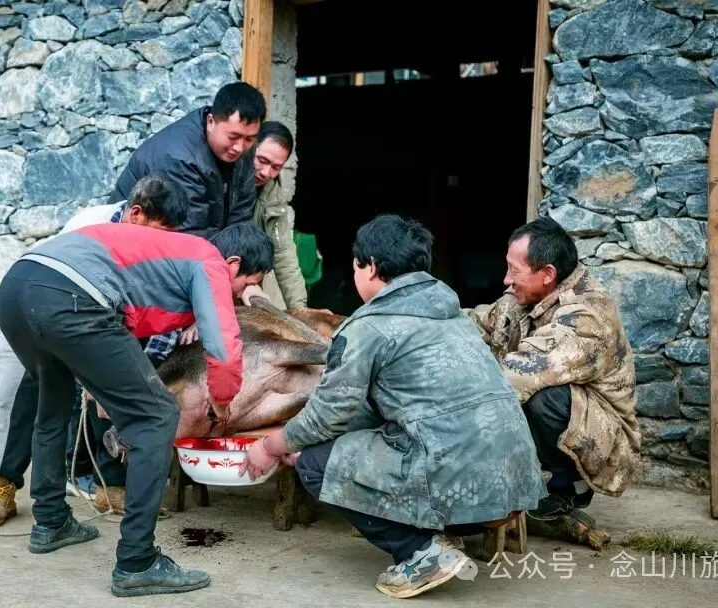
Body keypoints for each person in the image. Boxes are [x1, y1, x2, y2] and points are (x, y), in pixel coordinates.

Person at [239, 214, 546, 599]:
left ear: (369, 267)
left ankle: (422, 552)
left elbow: (330, 413)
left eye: (355, 264)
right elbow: (368, 409)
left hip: (457, 478)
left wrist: (272, 446)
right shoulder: (453, 315)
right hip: (514, 478)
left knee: (317, 464)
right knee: (340, 446)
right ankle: (443, 534)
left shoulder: (369, 326)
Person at [0, 221, 274, 597]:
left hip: (16, 290)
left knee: (54, 403)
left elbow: (126, 336)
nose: (241, 296)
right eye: (247, 284)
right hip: (70, 297)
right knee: (157, 416)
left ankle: (51, 521)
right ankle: (137, 561)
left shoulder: (166, 259)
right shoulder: (208, 261)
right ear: (234, 264)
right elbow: (223, 344)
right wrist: (223, 398)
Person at [0, 175, 187, 529]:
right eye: (159, 233)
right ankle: (1, 487)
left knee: (104, 390)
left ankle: (103, 488)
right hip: (32, 311)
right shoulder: (90, 224)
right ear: (136, 214)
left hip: (85, 319)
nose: (162, 245)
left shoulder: (148, 242)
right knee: (21, 398)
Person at [465, 217, 639, 521]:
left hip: (604, 443)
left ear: (548, 274)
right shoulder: (523, 296)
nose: (506, 279)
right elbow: (478, 324)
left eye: (514, 271)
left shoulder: (587, 318)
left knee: (541, 396)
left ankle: (568, 482)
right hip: (565, 415)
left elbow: (512, 378)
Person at [107, 81, 266, 238]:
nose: (239, 147)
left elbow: (241, 219)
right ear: (211, 122)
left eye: (249, 139)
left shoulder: (245, 149)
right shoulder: (179, 157)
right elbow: (190, 236)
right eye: (233, 136)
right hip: (127, 243)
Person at [250, 121, 307, 310]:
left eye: (276, 167)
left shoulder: (273, 194)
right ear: (250, 146)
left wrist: (300, 310)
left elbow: (283, 252)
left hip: (248, 283)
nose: (266, 172)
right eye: (262, 160)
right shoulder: (225, 178)